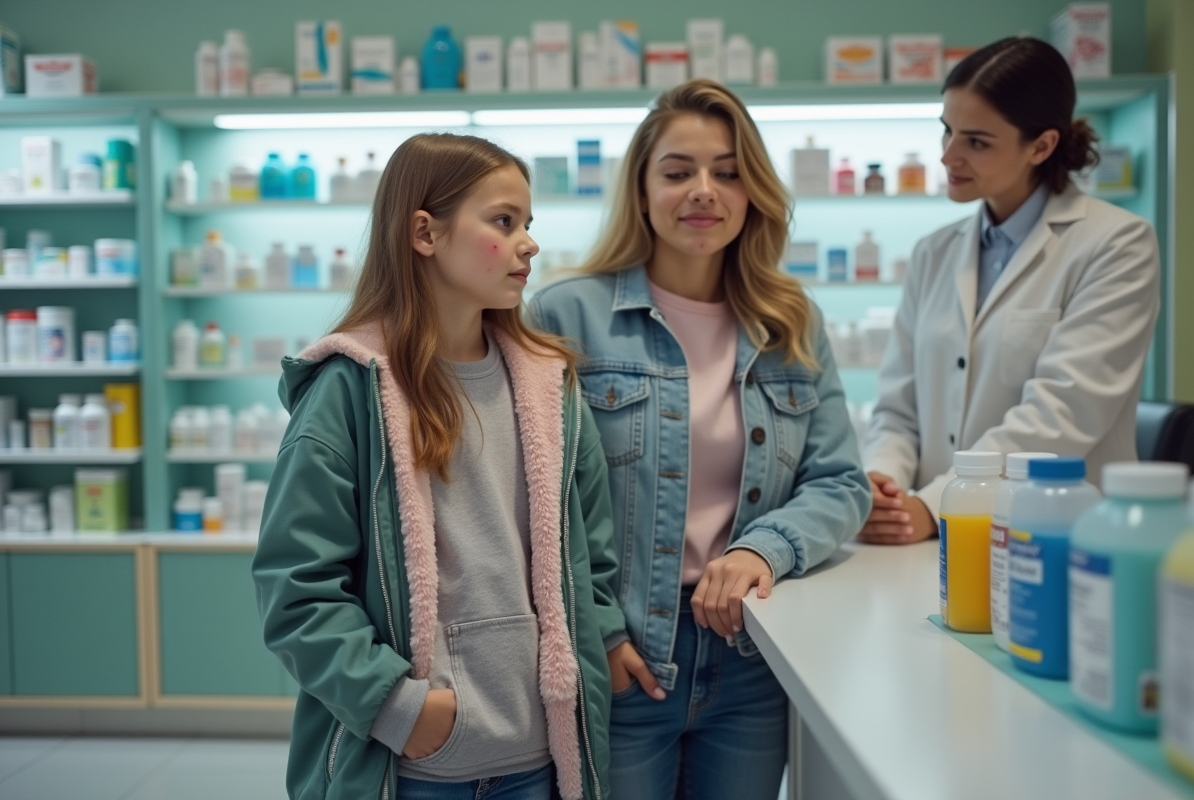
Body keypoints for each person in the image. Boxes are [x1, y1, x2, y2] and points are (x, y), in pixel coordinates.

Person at [253, 133, 625, 800]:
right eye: (504, 222)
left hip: (542, 759)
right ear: (424, 233)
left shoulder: (550, 388)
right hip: (410, 767)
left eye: (528, 225)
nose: (529, 244)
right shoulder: (351, 390)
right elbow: (296, 585)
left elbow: (591, 561)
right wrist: (397, 707)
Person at [529, 79, 872, 800]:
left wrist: (761, 549)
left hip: (753, 654)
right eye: (678, 171)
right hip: (621, 655)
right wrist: (603, 634)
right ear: (643, 189)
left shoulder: (790, 321)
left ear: (754, 192)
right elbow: (533, 498)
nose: (703, 191)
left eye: (727, 170)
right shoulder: (568, 313)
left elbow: (841, 481)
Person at [859, 37, 1161, 545]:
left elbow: (1063, 411)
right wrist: (881, 482)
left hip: (1055, 538)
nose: (948, 155)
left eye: (976, 141)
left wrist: (935, 504)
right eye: (946, 131)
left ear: (1040, 146)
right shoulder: (935, 252)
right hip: (936, 541)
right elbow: (897, 406)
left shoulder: (1115, 243)